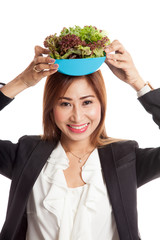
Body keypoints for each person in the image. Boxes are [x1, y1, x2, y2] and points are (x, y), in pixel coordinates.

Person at [0, 40, 159, 240]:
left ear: (101, 104)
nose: (77, 116)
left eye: (87, 102)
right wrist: (21, 82)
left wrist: (138, 83)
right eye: (65, 104)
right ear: (51, 108)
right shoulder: (25, 155)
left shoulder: (125, 159)